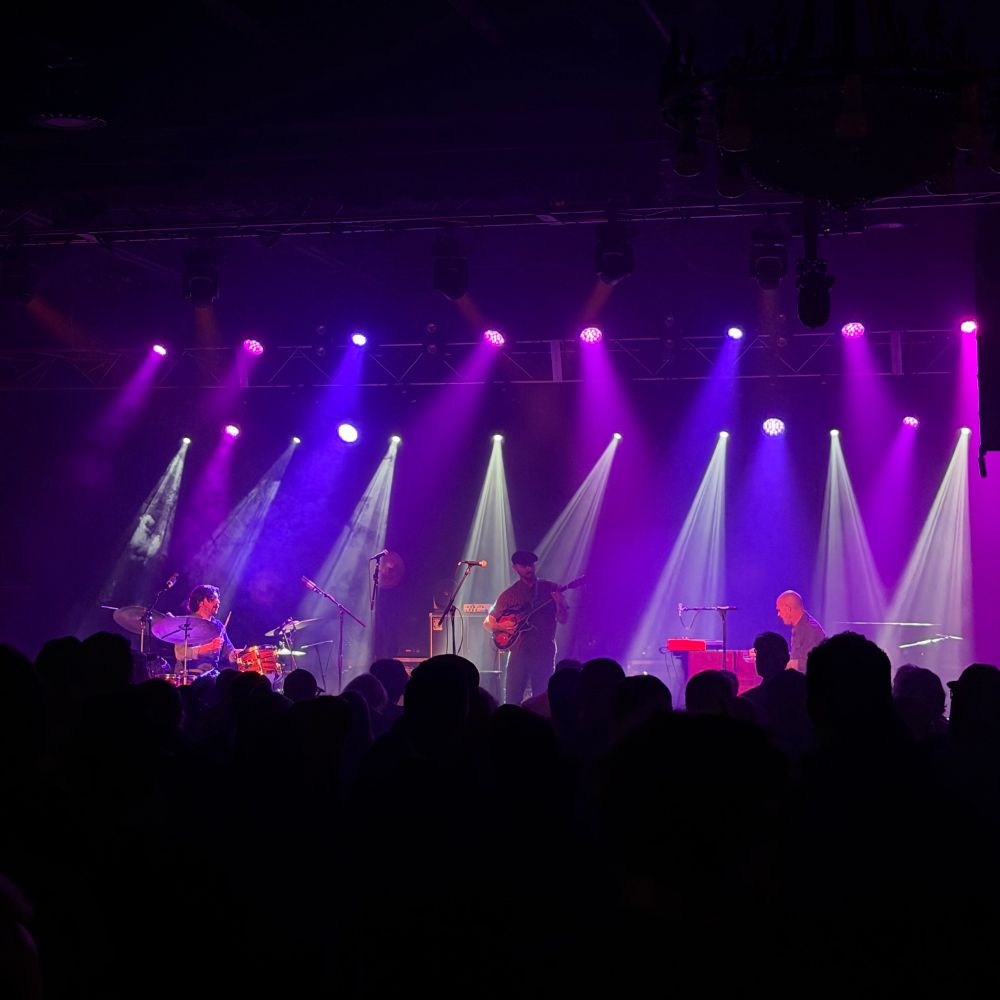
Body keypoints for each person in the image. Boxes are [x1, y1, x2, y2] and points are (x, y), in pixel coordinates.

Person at [483, 550, 568, 705]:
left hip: (544, 650)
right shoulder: (509, 594)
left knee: (542, 700)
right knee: (512, 699)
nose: (529, 568)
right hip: (518, 652)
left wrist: (559, 604)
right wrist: (501, 625)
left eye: (531, 564)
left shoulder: (551, 588)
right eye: (524, 565)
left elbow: (563, 619)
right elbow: (487, 622)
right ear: (515, 567)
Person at [173, 584, 237, 676]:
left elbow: (229, 653)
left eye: (218, 598)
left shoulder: (219, 626)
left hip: (213, 675)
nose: (218, 601)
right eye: (212, 599)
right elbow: (180, 653)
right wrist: (208, 647)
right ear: (201, 603)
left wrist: (237, 655)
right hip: (189, 676)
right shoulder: (186, 623)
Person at [775, 590, 825, 671]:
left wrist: (791, 664)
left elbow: (814, 662)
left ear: (788, 609)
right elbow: (798, 656)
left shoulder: (811, 630)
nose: (778, 614)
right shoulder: (799, 626)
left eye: (779, 610)